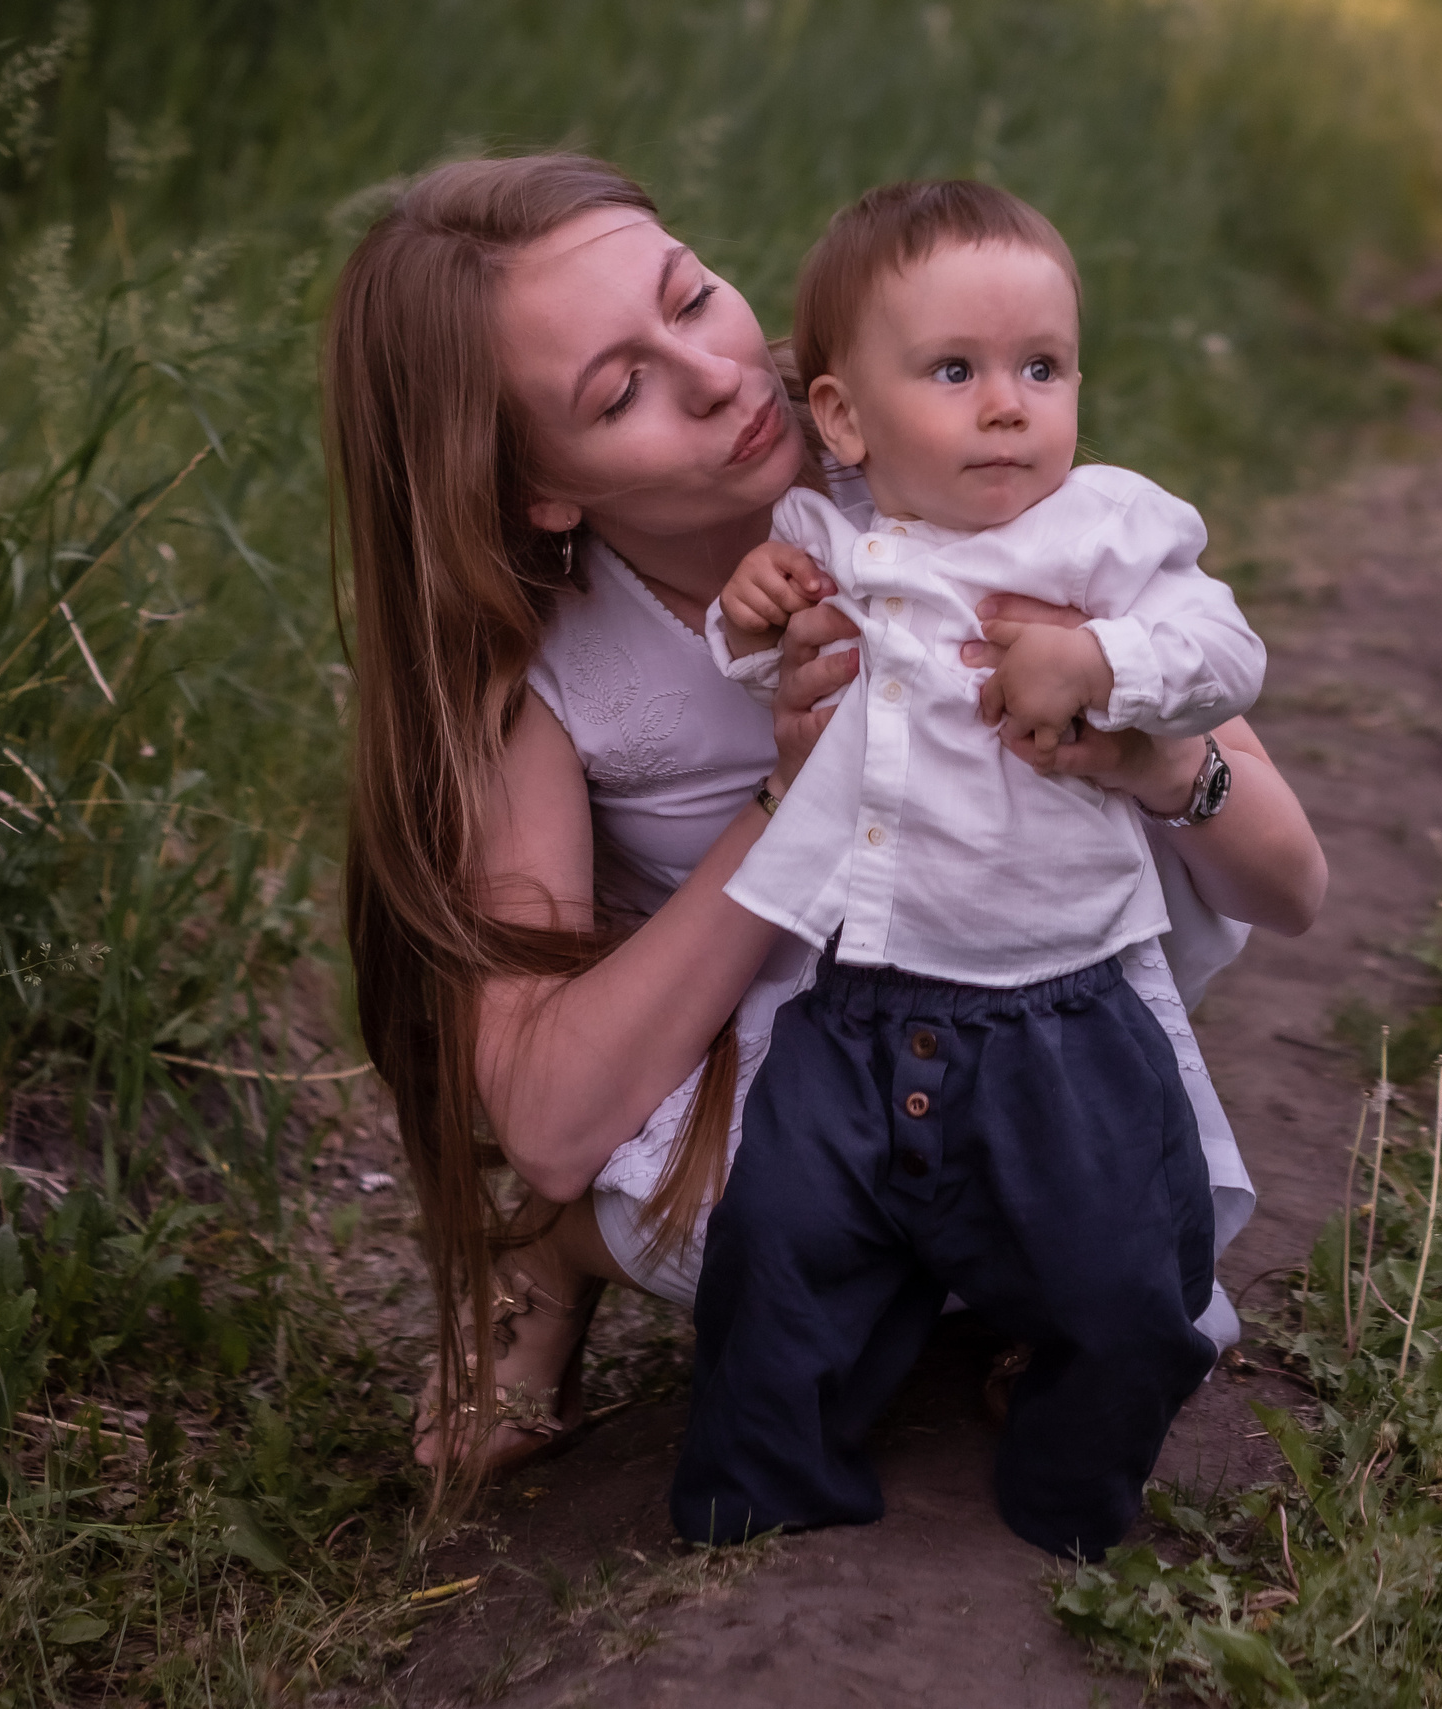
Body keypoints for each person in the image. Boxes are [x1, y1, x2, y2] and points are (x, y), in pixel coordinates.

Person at [321, 154, 1327, 1493]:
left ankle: (1012, 1263)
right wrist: (796, 795)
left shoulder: (936, 450)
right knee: (740, 1227)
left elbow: (1291, 881)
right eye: (619, 392)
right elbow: (554, 1120)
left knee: (1123, 1268)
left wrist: (1141, 749)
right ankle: (554, 1253)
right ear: (539, 490)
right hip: (796, 1064)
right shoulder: (551, 676)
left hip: (1028, 1013)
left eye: (691, 298)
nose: (722, 377)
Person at [670, 181, 1262, 1558]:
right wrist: (746, 614)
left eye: (1041, 368)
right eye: (957, 371)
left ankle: (1072, 1484)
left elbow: (1227, 649)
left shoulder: (1098, 529)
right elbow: (756, 649)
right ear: (846, 417)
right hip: (860, 1001)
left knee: (1125, 1280)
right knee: (780, 1244)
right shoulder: (825, 533)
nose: (1010, 406)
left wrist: (1105, 665)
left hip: (1060, 1009)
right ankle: (760, 1482)